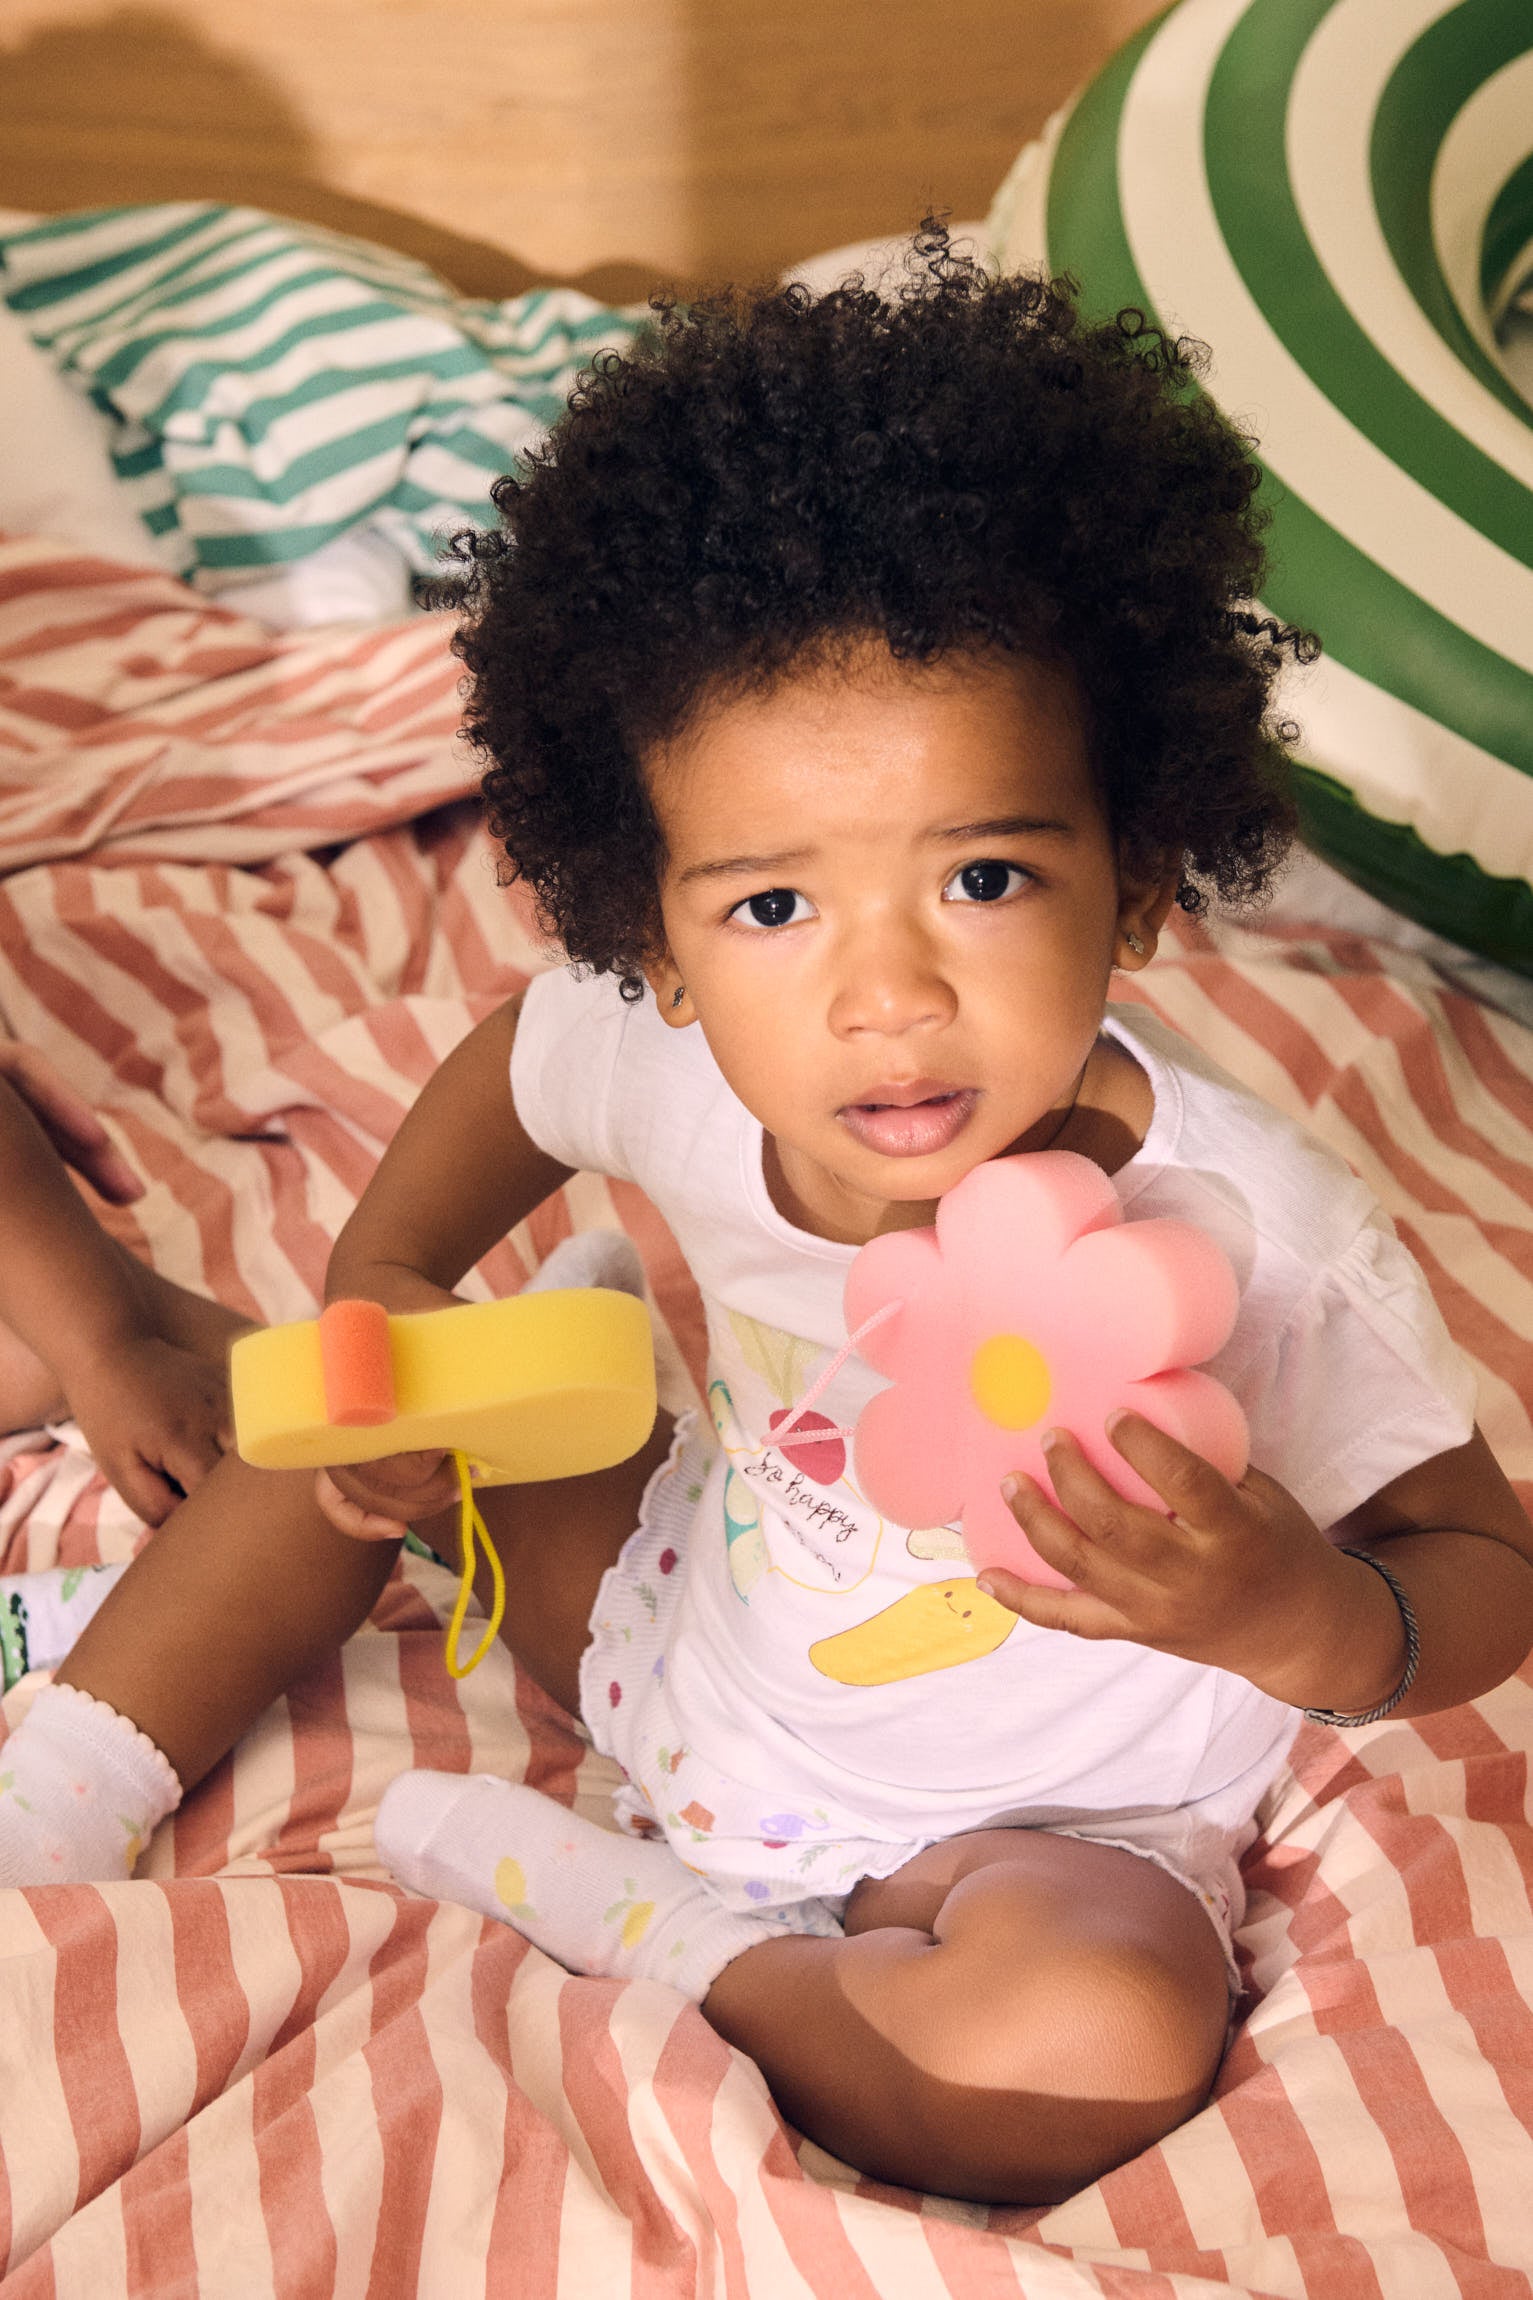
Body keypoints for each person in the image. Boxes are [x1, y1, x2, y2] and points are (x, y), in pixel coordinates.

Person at [3, 228, 1531, 2205]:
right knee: (333, 1412)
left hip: (1034, 1838)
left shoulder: (1257, 1231)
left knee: (1086, 2051)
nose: (881, 994)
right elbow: (517, 1067)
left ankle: (631, 1918)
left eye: (981, 879)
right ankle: (57, 1795)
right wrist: (388, 1278)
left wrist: (1300, 1616)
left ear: (1140, 878)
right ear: (650, 930)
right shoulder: (676, 1058)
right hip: (665, 1627)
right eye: (773, 906)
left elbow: (1480, 1563)